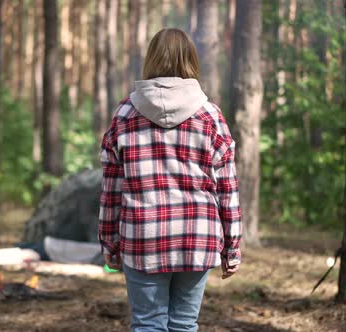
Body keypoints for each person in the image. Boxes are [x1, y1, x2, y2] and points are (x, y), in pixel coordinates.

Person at [98, 28, 242, 332]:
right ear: (191, 60)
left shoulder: (125, 114)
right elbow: (227, 190)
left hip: (143, 237)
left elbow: (111, 190)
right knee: (184, 325)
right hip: (197, 236)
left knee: (148, 325)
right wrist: (232, 246)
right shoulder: (210, 116)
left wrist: (109, 244)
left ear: (151, 59)